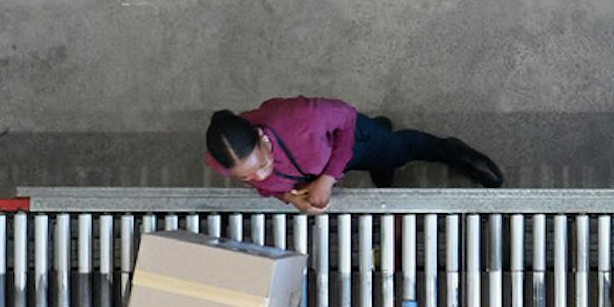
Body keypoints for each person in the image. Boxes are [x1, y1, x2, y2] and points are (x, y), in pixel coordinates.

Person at [205, 96, 501, 211]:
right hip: (315, 168)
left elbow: (345, 116)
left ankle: (453, 151)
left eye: (263, 165)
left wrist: (328, 178)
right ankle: (380, 140)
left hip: (347, 139)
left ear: (261, 136)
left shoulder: (301, 118)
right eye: (247, 177)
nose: (260, 177)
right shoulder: (225, 158)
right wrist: (290, 198)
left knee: (397, 151)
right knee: (380, 161)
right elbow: (267, 187)